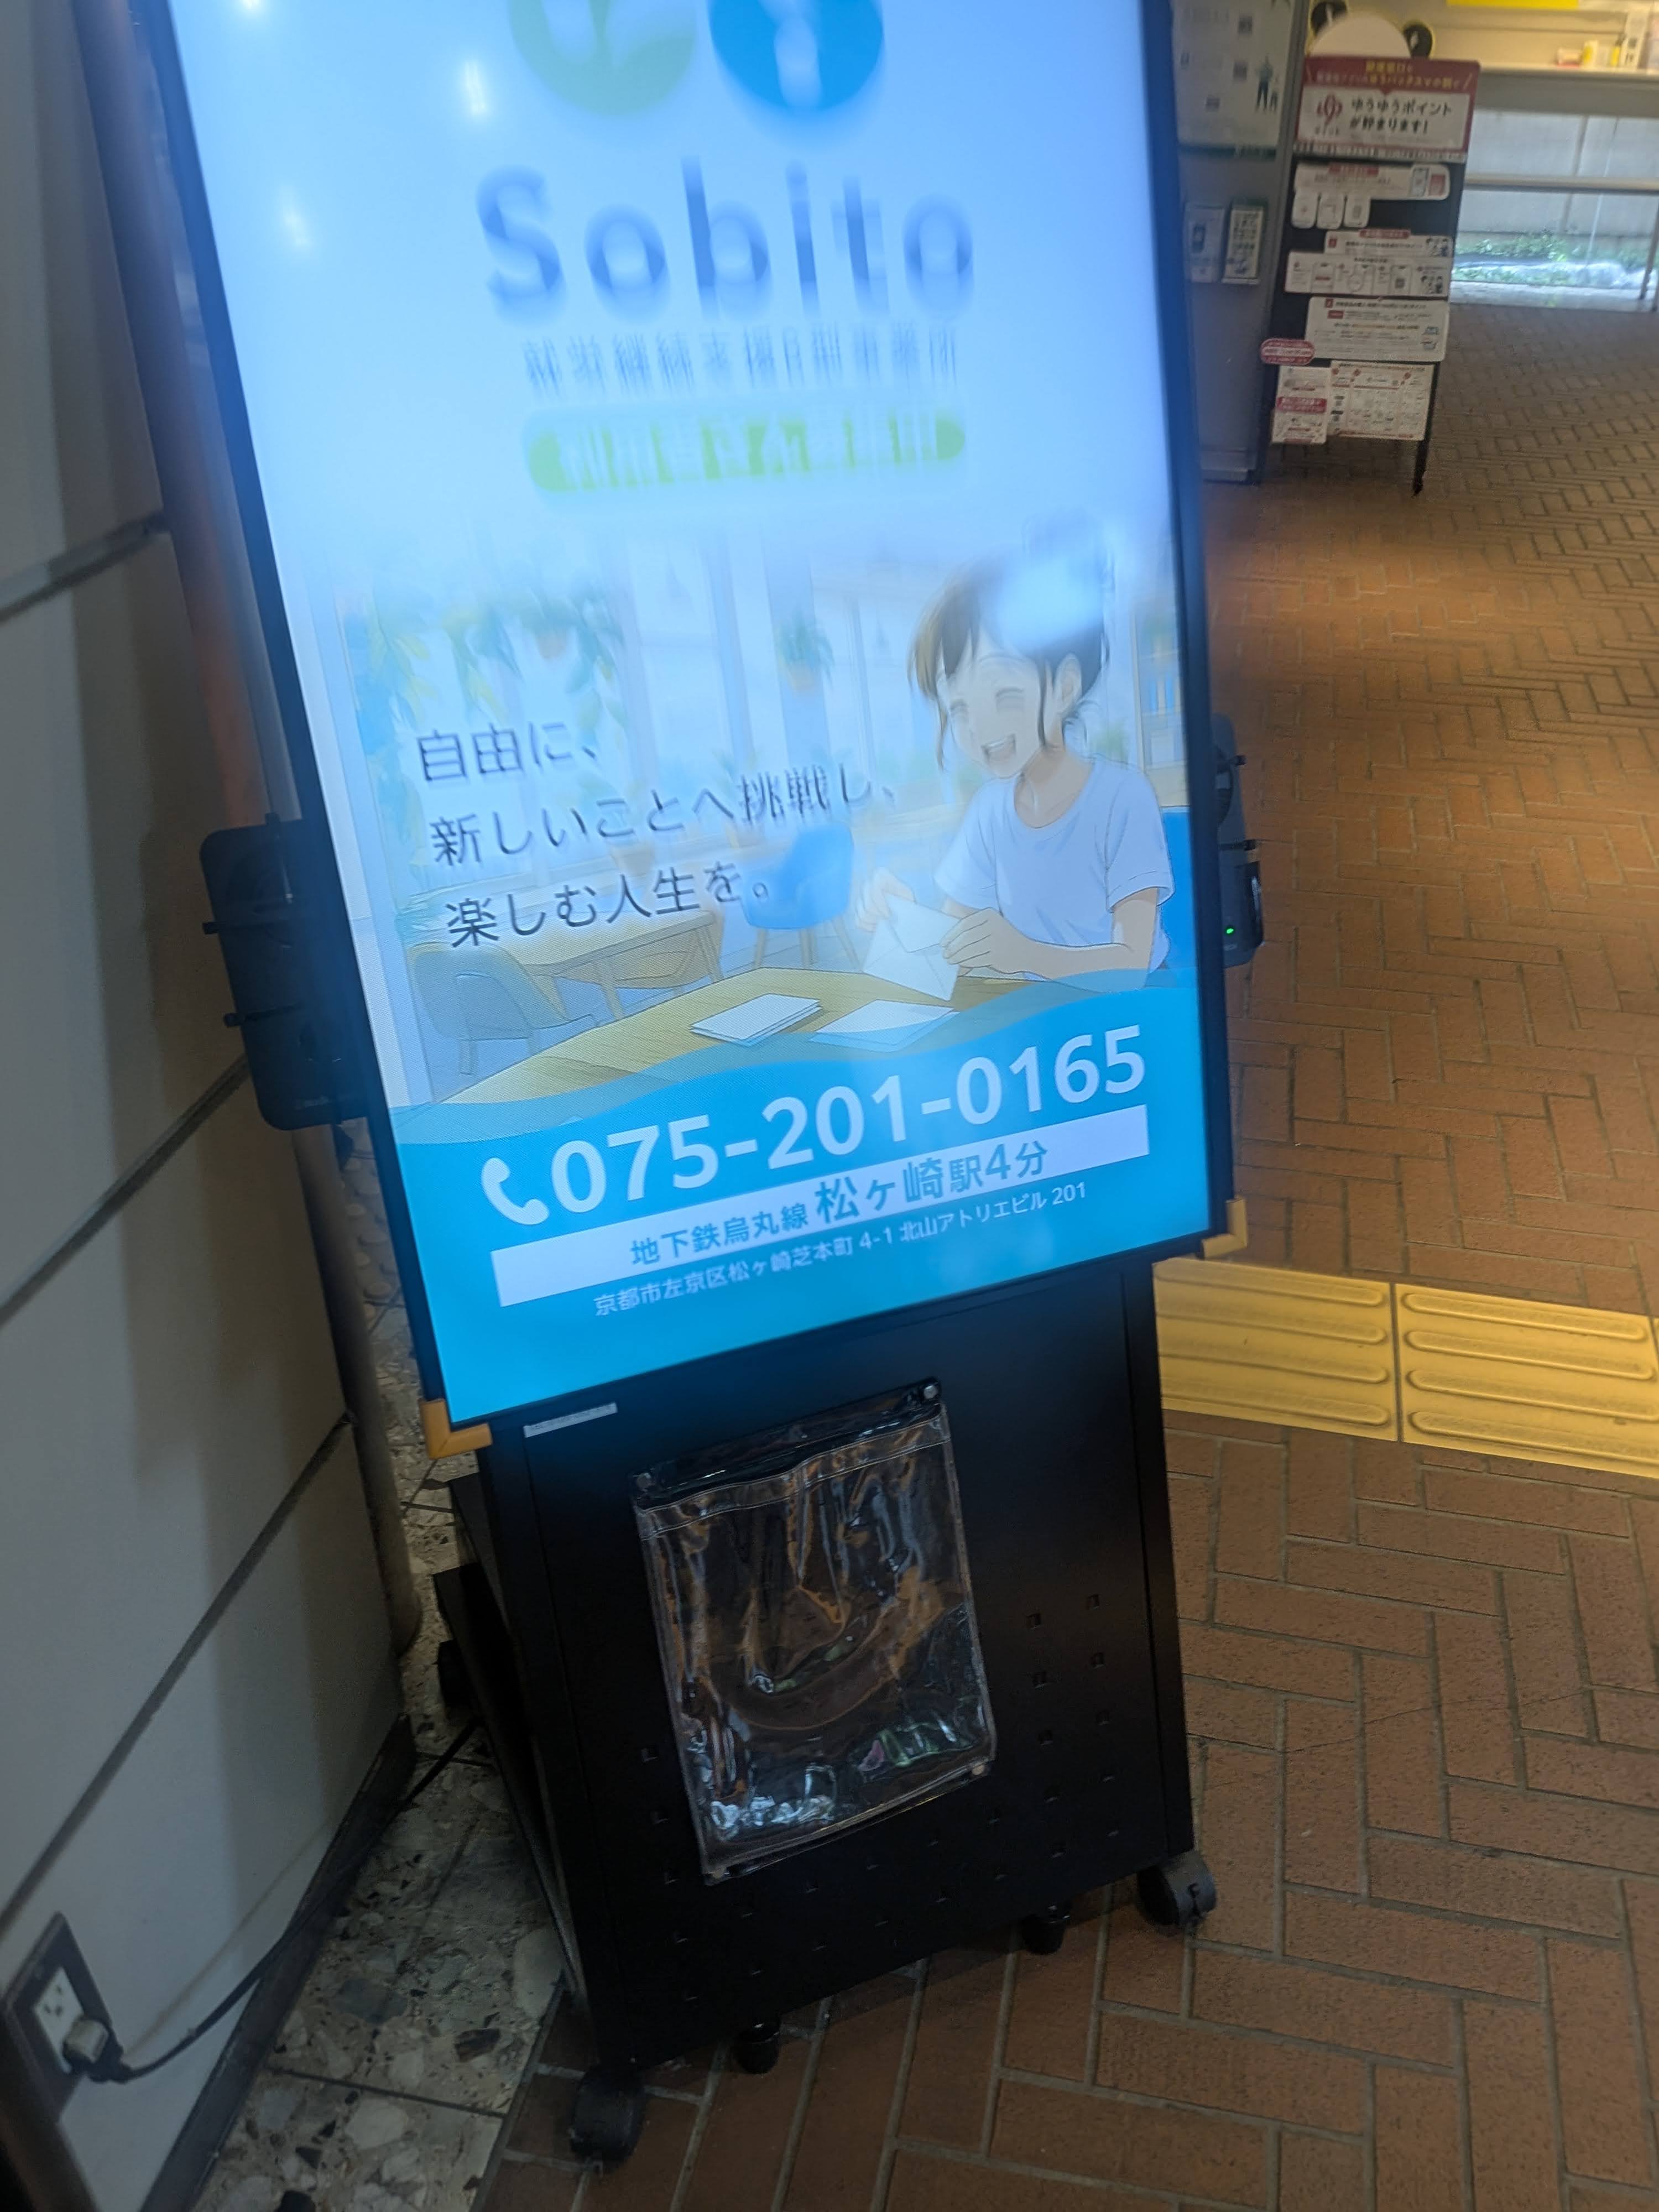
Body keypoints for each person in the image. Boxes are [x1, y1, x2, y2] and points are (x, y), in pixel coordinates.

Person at [859, 552, 1174, 981]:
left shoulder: (1122, 798)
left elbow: (1132, 965)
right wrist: (902, 917)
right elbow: (955, 946)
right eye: (959, 708)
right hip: (1043, 1011)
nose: (979, 726)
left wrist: (1026, 955)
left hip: (1132, 1011)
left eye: (1004, 694)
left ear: (1065, 686)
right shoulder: (990, 810)